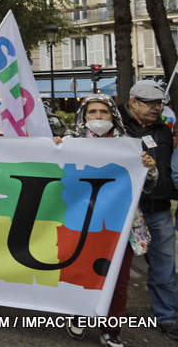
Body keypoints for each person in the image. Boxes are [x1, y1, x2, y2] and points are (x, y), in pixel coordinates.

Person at [65, 94, 156, 347]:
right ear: (83, 116)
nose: (97, 117)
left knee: (119, 280)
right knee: (80, 273)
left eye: (103, 112)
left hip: (121, 226)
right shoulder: (71, 143)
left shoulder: (130, 145)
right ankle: (80, 317)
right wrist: (54, 147)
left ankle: (111, 329)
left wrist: (149, 167)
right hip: (82, 223)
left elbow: (148, 185)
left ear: (113, 116)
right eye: (92, 112)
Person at [120, 80, 178, 339]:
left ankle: (167, 316)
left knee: (164, 266)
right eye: (150, 103)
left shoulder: (163, 130)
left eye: (159, 103)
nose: (157, 108)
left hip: (159, 209)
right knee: (116, 266)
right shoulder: (118, 126)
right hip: (126, 212)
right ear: (133, 102)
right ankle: (104, 315)